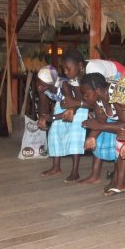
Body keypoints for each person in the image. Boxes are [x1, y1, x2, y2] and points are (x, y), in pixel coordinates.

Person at [78, 72, 125, 190]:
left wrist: (99, 126)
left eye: (86, 93)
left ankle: (119, 182)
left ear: (97, 90)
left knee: (121, 141)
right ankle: (116, 180)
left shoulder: (116, 95)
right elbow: (101, 120)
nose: (84, 97)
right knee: (114, 139)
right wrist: (92, 137)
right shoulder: (99, 99)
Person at [38, 51, 89, 183]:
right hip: (63, 105)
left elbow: (75, 103)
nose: (39, 86)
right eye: (38, 83)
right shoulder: (43, 89)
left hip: (77, 106)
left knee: (74, 133)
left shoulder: (64, 85)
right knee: (54, 132)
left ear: (51, 82)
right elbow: (43, 108)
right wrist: (43, 118)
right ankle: (56, 167)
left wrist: (54, 117)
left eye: (42, 84)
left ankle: (75, 171)